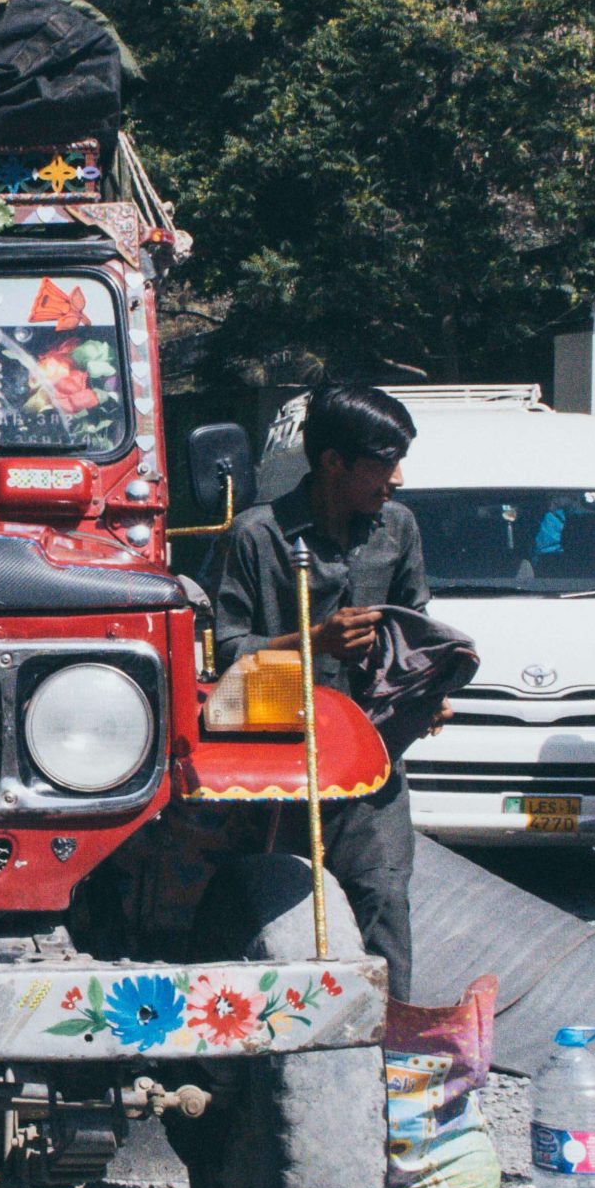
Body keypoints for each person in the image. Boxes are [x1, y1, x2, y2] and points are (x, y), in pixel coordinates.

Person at [205, 384, 426, 1000]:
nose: (398, 479)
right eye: (384, 463)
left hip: (371, 754)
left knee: (383, 896)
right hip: (275, 758)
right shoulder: (255, 536)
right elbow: (225, 656)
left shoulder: (398, 529)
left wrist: (430, 686)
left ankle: (389, 1051)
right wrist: (313, 643)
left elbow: (415, 628)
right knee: (277, 906)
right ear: (332, 462)